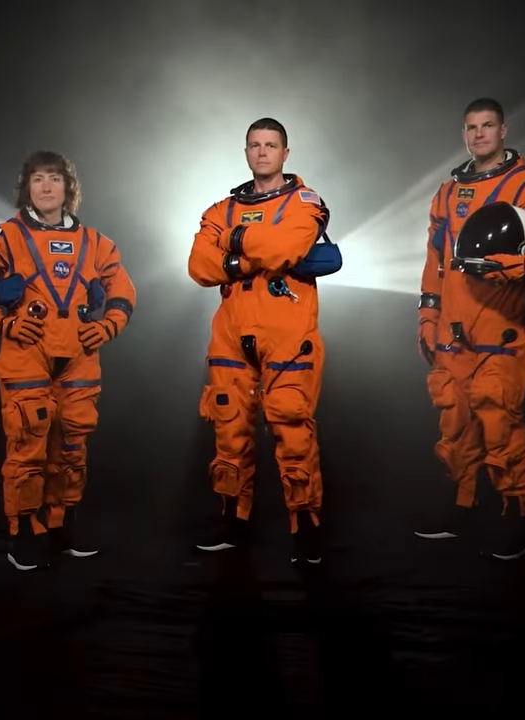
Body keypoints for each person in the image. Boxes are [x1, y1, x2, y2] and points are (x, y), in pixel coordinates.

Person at [0, 150, 136, 572]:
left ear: (69, 187)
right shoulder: (6, 237)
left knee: (71, 447)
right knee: (27, 446)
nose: (47, 187)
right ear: (26, 188)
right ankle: (22, 534)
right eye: (38, 179)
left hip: (79, 357)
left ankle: (60, 528)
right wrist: (0, 322)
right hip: (27, 355)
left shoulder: (95, 243)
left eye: (55, 178)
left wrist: (109, 326)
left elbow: (123, 289)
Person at [414, 97, 525, 560]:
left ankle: (516, 518)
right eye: (471, 127)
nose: (479, 134)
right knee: (455, 423)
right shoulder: (448, 192)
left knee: (499, 421)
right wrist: (427, 317)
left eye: (487, 126)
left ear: (503, 130)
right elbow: (435, 261)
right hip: (453, 328)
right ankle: (461, 509)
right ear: (464, 134)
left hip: (501, 326)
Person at [188, 117, 343, 566]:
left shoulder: (305, 202)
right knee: (229, 431)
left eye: (270, 145)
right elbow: (198, 265)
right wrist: (247, 259)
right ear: (246, 152)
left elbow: (287, 248)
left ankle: (306, 529)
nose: (262, 152)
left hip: (288, 335)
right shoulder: (220, 209)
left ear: (285, 153)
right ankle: (233, 523)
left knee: (292, 431)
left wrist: (232, 244)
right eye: (254, 145)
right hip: (230, 334)